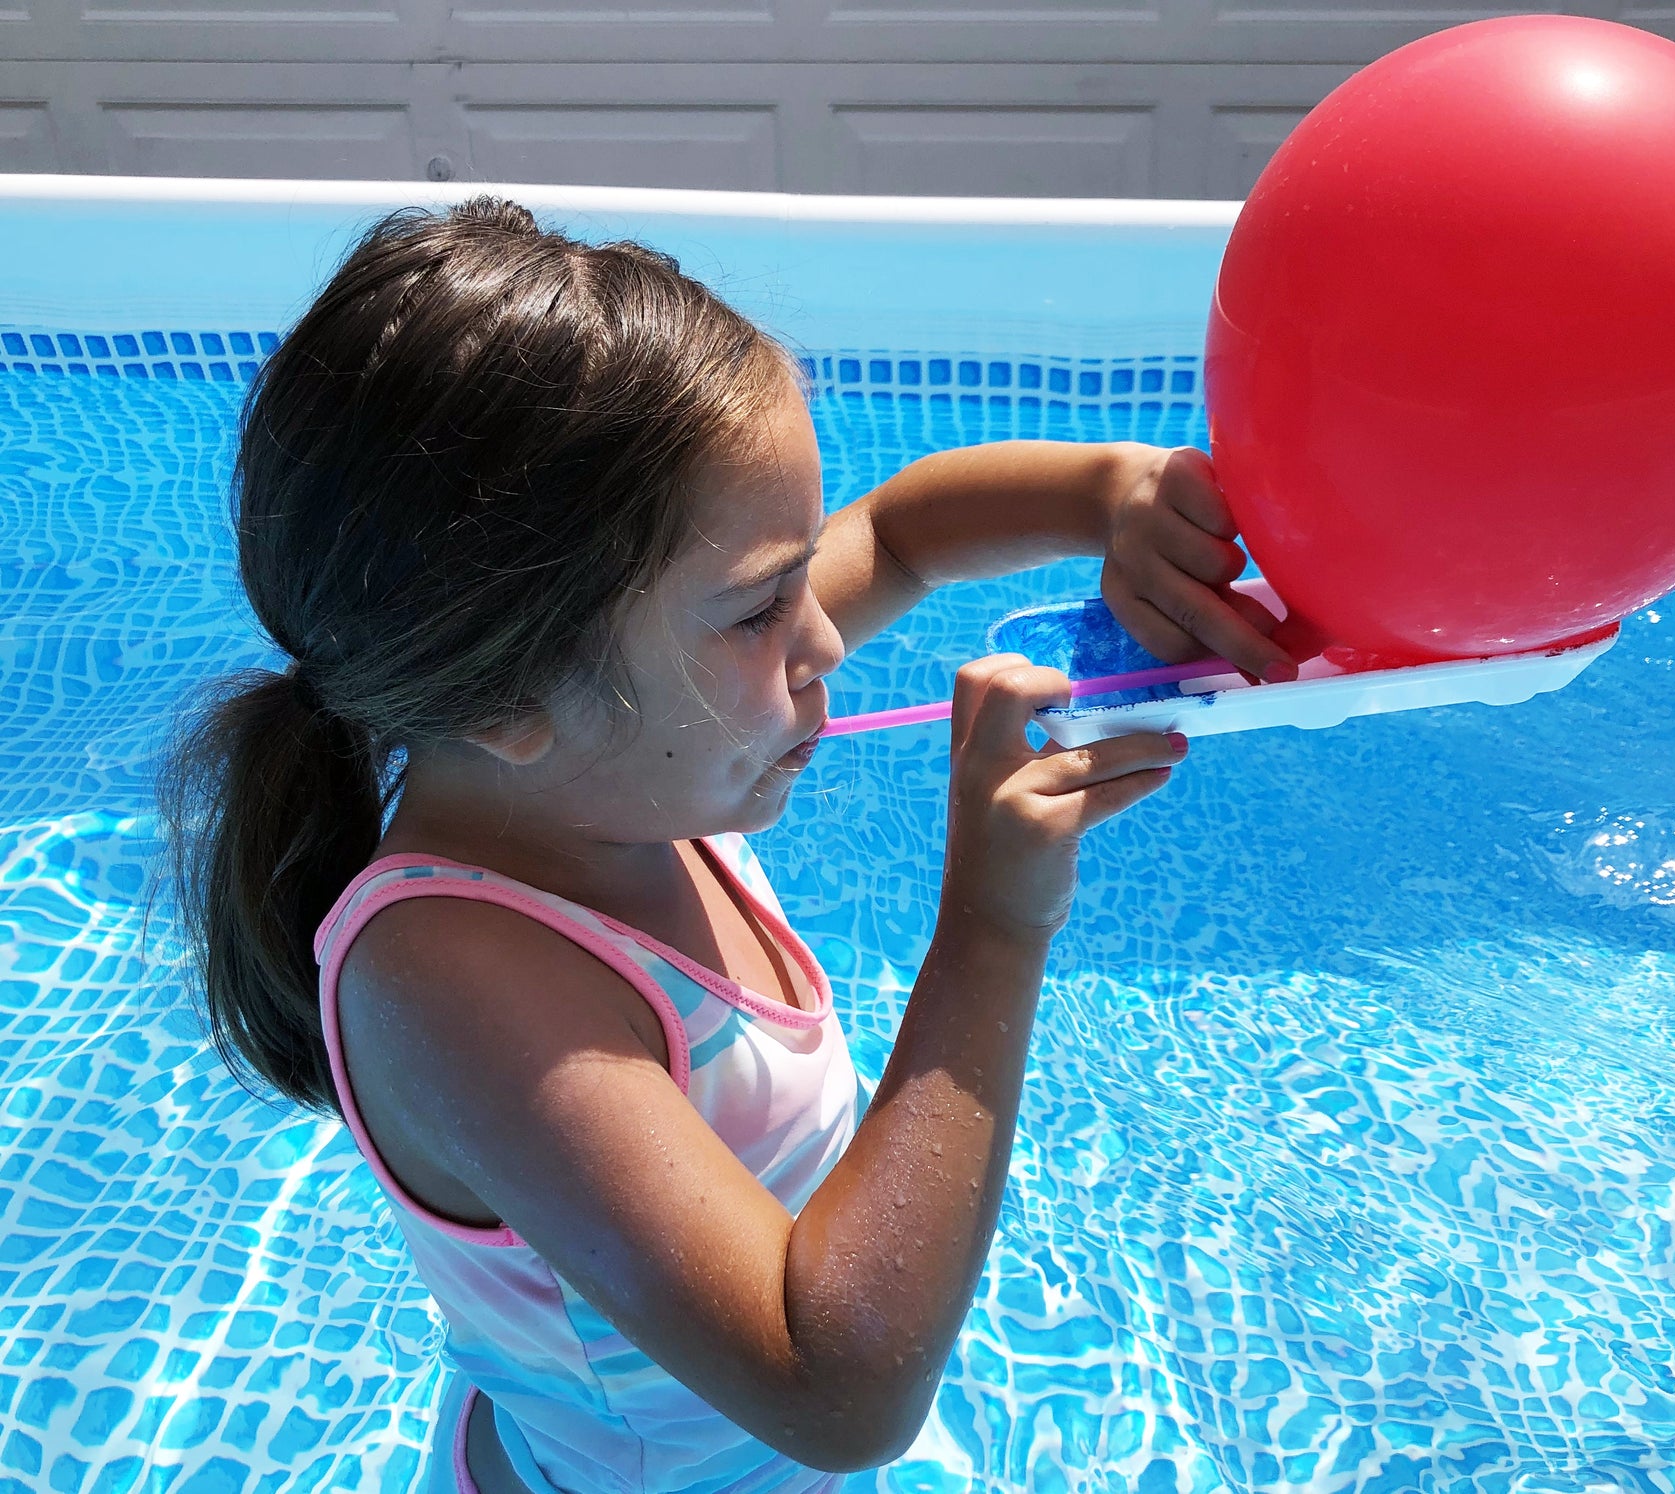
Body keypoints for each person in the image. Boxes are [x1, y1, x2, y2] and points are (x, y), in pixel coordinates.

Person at [159, 196, 1297, 1494]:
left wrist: (1116, 496)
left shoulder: (625, 755)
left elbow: (909, 533)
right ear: (508, 701)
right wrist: (993, 924)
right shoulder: (453, 981)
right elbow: (836, 1390)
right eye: (759, 608)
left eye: (799, 577)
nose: (819, 638)